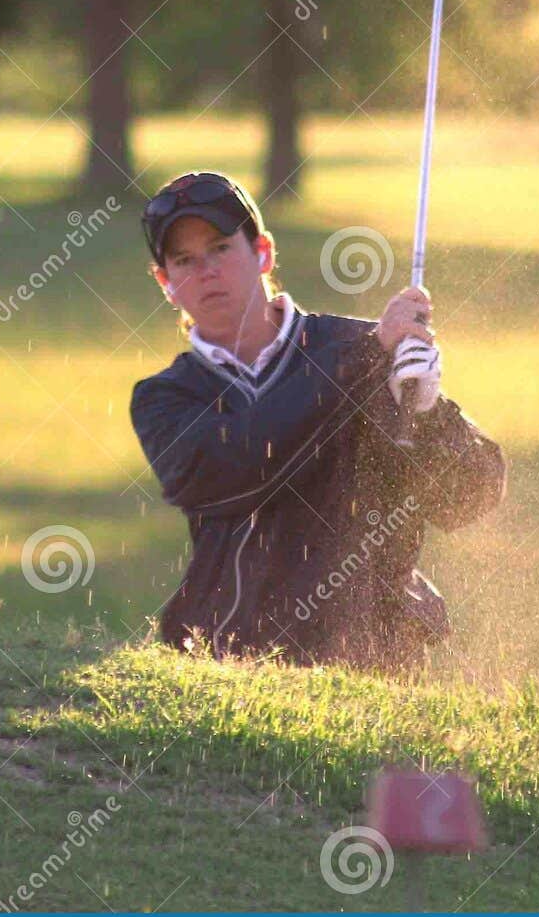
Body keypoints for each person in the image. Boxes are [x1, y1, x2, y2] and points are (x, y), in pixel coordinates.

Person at [128, 171, 506, 672]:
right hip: (232, 664)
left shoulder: (366, 350)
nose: (206, 271)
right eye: (184, 261)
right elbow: (243, 461)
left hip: (373, 663)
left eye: (221, 248)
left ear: (262, 252)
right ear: (166, 284)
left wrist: (429, 416)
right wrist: (364, 361)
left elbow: (468, 497)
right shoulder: (166, 399)